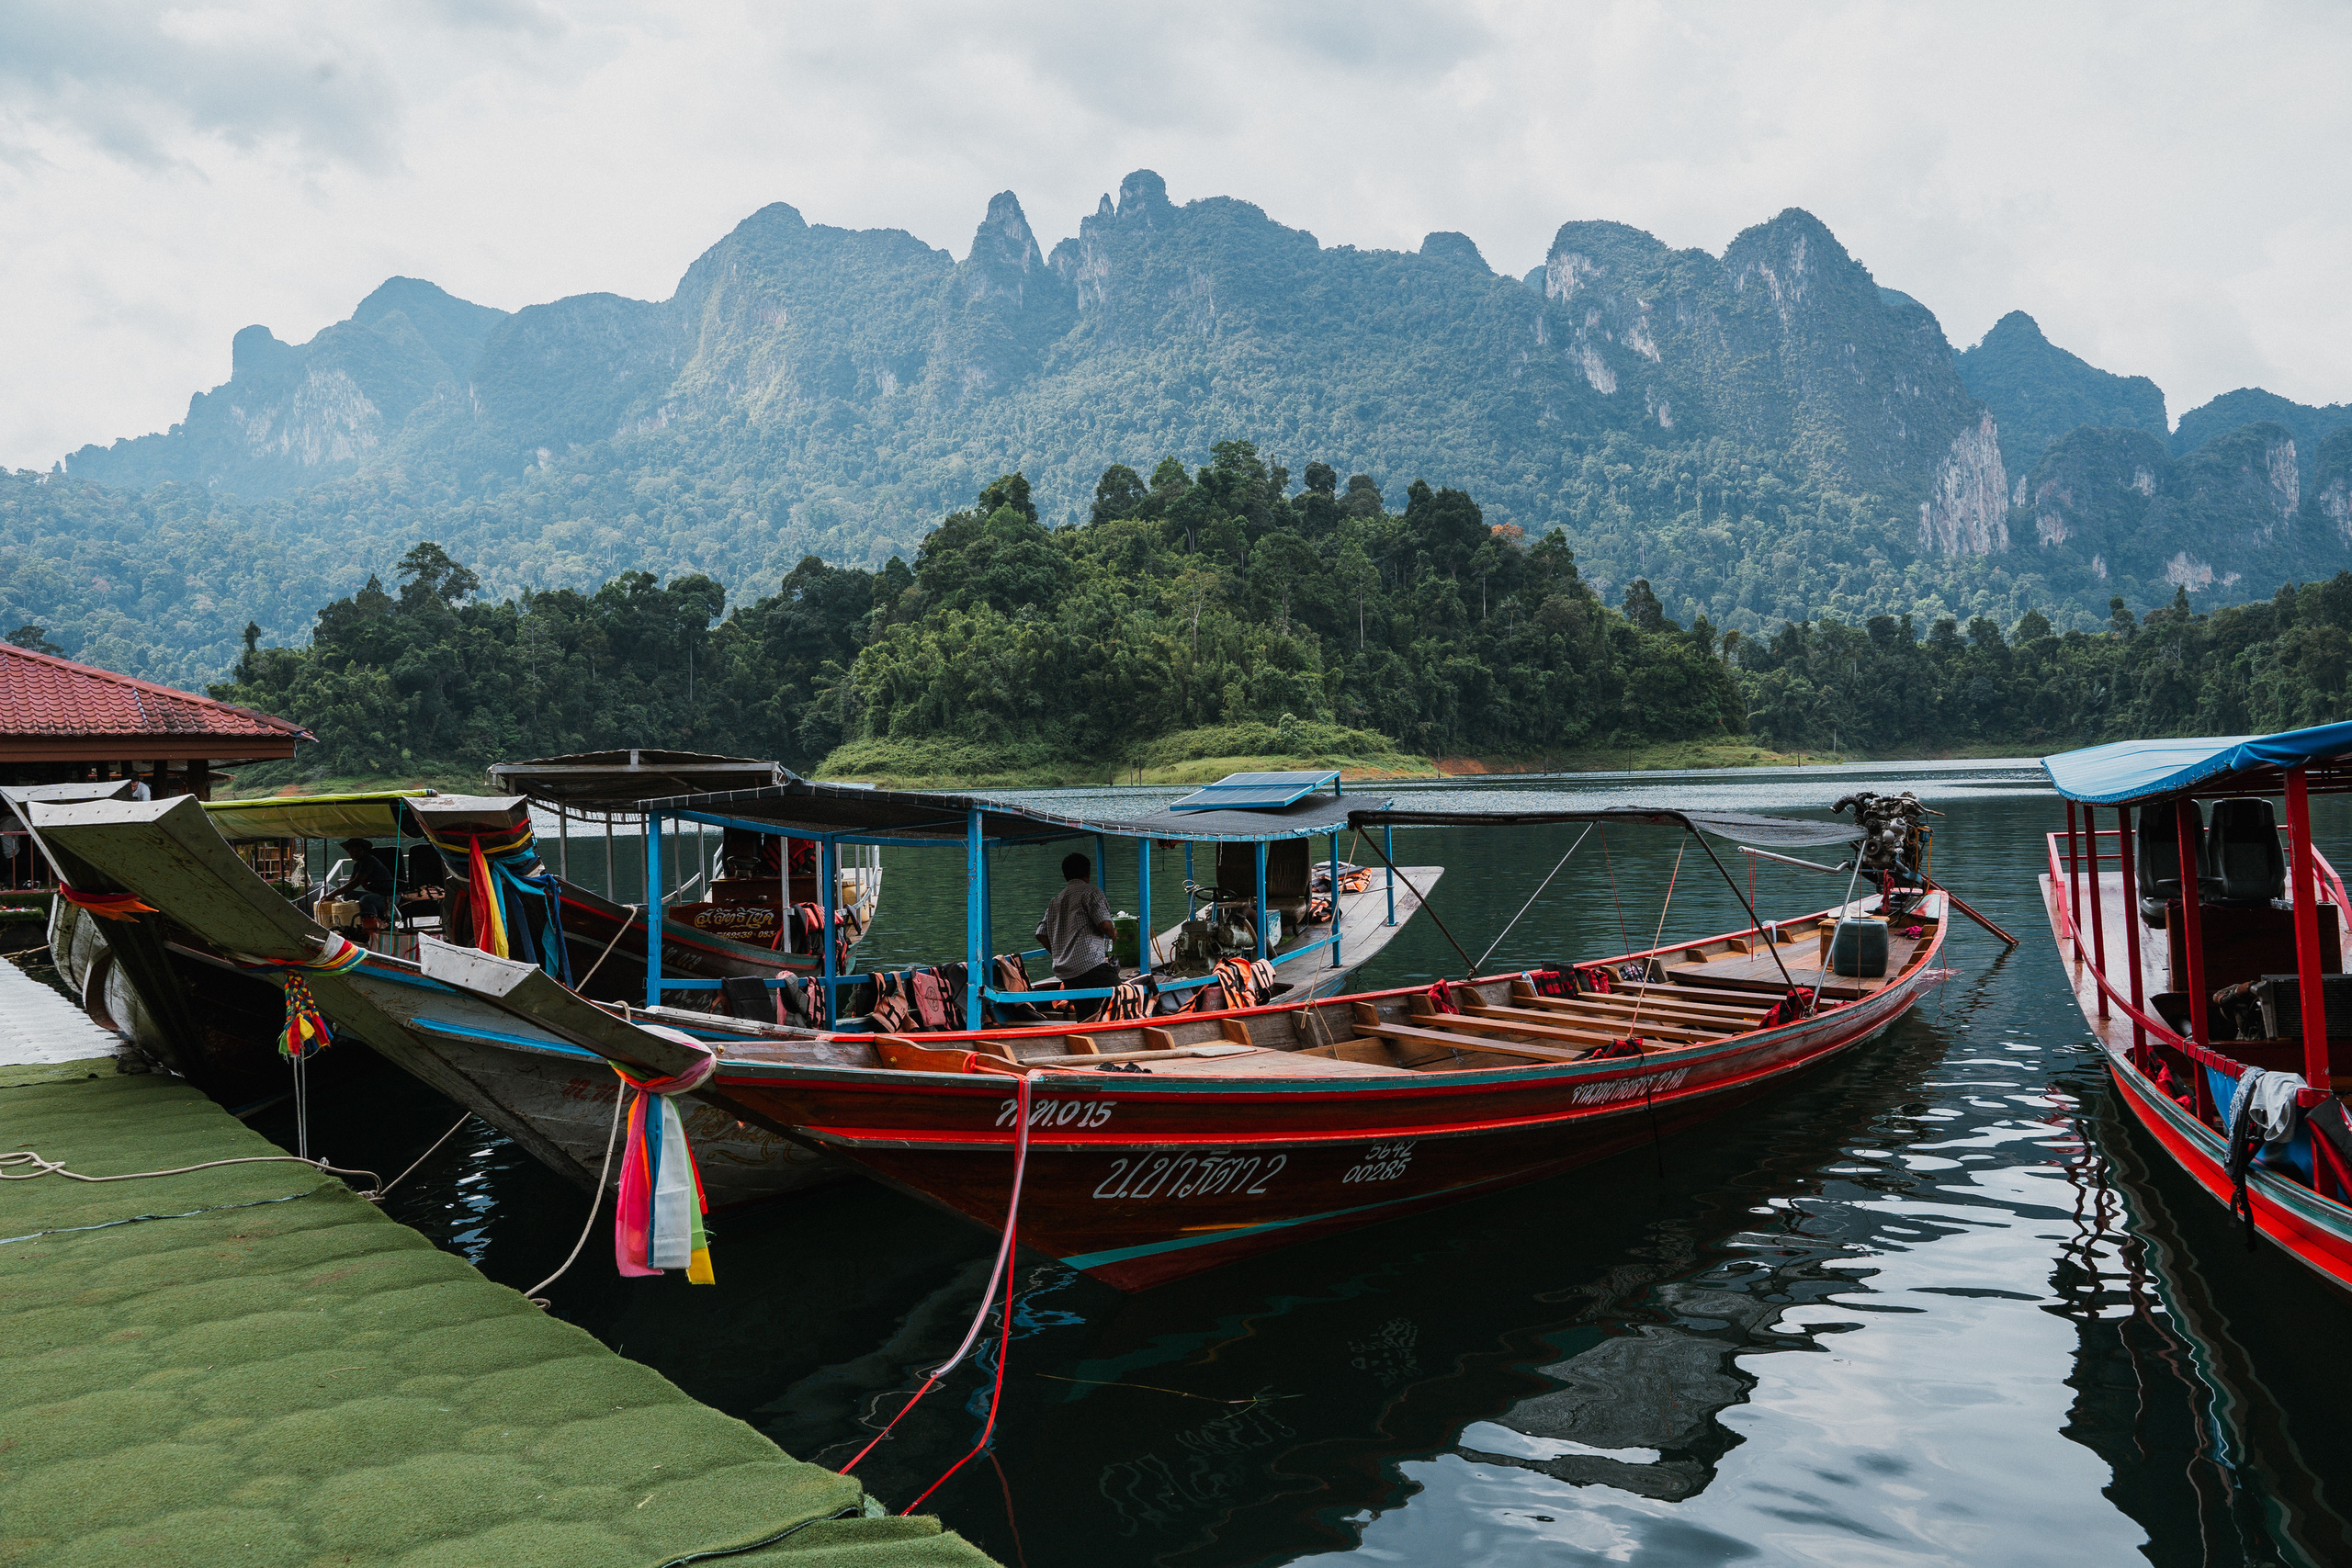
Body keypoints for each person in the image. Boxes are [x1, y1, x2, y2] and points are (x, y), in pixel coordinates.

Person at [1036, 852, 1117, 1017]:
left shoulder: (1056, 900)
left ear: (1065, 875)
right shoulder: (1091, 891)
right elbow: (1104, 925)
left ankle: (1086, 1034)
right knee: (1123, 992)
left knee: (1085, 1011)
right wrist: (1114, 934)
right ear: (1087, 873)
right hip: (1089, 965)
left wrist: (1061, 953)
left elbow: (1041, 934)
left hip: (1065, 971)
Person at [330, 837, 397, 924]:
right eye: (351, 852)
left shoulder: (368, 860)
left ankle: (373, 925)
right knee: (348, 896)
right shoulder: (357, 866)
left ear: (364, 851)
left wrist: (334, 893)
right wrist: (335, 894)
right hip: (375, 894)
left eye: (357, 851)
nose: (354, 854)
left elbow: (356, 882)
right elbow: (350, 883)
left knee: (366, 900)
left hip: (388, 896)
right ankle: (355, 923)